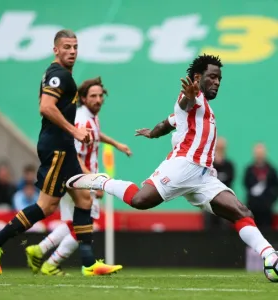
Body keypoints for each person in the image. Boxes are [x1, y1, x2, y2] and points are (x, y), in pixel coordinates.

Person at [67, 54, 277, 276]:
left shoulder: (204, 106)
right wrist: (189, 95)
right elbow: (184, 104)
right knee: (140, 200)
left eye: (219, 79)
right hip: (182, 166)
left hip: (204, 177)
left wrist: (153, 133)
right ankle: (102, 181)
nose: (217, 82)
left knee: (242, 212)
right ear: (198, 77)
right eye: (213, 77)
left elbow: (168, 122)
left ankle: (270, 257)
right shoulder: (190, 98)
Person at [0, 29, 121, 276]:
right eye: (66, 47)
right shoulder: (58, 75)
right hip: (57, 148)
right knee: (46, 206)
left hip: (62, 146)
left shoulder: (61, 75)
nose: (72, 51)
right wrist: (74, 131)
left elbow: (47, 106)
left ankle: (88, 264)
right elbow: (46, 107)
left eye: (75, 47)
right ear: (55, 49)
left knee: (84, 199)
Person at [26, 77, 131, 275]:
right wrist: (95, 182)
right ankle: (55, 263)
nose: (98, 99)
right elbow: (74, 154)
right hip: (79, 179)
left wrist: (116, 144)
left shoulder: (89, 116)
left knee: (71, 224)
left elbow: (96, 134)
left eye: (101, 96)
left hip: (71, 178)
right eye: (93, 96)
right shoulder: (82, 120)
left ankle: (39, 251)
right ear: (83, 97)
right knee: (83, 225)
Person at [244, 143, 278, 229]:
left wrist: (270, 201)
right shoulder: (249, 170)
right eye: (257, 153)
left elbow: (275, 186)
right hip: (252, 207)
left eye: (261, 153)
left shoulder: (271, 170)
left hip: (266, 208)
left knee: (266, 230)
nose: (259, 155)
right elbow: (246, 185)